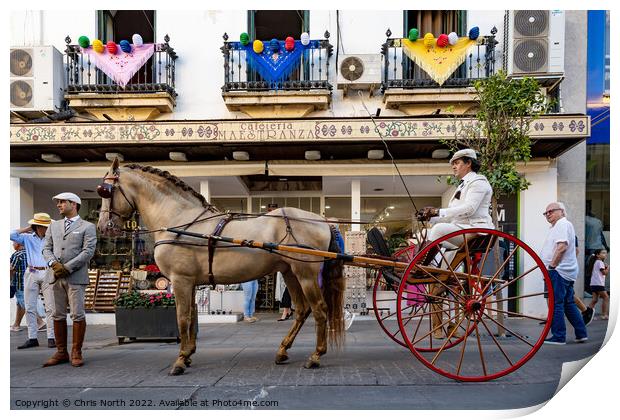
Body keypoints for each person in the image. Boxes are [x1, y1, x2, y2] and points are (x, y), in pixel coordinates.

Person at [417, 149, 494, 339]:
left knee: (436, 232)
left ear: (468, 163)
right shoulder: (463, 185)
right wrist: (430, 217)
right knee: (428, 232)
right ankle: (426, 268)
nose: (453, 166)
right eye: (453, 163)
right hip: (461, 230)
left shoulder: (478, 183)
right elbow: (452, 216)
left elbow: (469, 209)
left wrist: (437, 213)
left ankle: (423, 266)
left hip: (475, 231)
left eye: (457, 162)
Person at [42, 192, 97, 367]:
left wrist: (67, 267)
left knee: (77, 314)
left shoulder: (87, 226)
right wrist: (53, 263)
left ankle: (76, 352)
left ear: (74, 204)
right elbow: (46, 248)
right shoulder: (53, 226)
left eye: (62, 202)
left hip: (76, 277)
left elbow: (88, 252)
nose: (58, 204)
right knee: (57, 314)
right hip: (55, 276)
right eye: (58, 202)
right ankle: (60, 352)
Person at [541, 202, 588, 345]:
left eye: (551, 211)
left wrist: (552, 266)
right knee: (568, 303)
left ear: (561, 211)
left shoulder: (562, 224)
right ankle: (582, 334)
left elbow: (562, 247)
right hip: (566, 271)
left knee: (556, 303)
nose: (548, 214)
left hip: (559, 271)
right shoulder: (561, 225)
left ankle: (559, 336)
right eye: (546, 212)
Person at [10, 213, 56, 348]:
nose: (46, 228)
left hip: (48, 271)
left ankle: (51, 337)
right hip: (31, 272)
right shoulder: (27, 238)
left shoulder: (52, 238)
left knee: (50, 307)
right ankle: (32, 337)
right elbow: (10, 234)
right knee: (29, 306)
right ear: (37, 226)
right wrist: (26, 229)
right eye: (43, 226)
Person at [585, 249, 609, 320]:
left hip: (594, 284)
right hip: (598, 284)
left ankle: (587, 314)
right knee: (606, 297)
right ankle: (604, 315)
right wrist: (608, 268)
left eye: (605, 253)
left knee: (594, 300)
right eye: (603, 253)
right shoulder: (600, 262)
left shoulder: (596, 262)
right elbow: (604, 273)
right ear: (598, 255)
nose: (605, 254)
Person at [10, 242, 27, 332]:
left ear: (19, 244)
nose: (13, 245)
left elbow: (11, 269)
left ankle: (40, 322)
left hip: (19, 284)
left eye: (14, 243)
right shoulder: (29, 253)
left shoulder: (17, 255)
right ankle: (16, 325)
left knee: (25, 304)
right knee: (20, 304)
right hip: (29, 283)